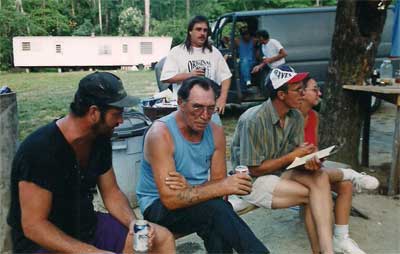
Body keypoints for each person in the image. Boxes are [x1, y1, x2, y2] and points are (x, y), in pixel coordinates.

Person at [7, 72, 175, 254]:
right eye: (116, 114)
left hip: (86, 226)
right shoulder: (40, 150)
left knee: (161, 238)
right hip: (43, 243)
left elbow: (112, 193)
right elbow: (33, 226)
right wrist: (91, 252)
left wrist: (132, 223)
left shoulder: (99, 140)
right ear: (94, 112)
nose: (121, 120)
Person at [136, 77, 269, 254]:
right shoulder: (160, 134)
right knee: (216, 210)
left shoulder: (215, 131)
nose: (205, 115)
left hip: (200, 203)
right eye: (197, 107)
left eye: (211, 108)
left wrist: (192, 188)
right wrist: (217, 187)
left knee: (216, 215)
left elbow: (218, 186)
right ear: (181, 103)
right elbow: (171, 200)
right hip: (158, 206)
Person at [231, 65, 334, 254]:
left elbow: (295, 154)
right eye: (297, 90)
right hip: (252, 182)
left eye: (303, 89)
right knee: (315, 194)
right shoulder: (253, 120)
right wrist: (293, 156)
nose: (302, 94)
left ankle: (327, 252)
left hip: (281, 174)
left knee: (319, 177)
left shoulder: (294, 116)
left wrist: (310, 159)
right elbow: (253, 169)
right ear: (281, 95)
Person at [299, 76, 379, 254]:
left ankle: (341, 239)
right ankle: (353, 174)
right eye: (314, 89)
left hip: (311, 169)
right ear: (301, 93)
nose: (319, 93)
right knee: (319, 181)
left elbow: (313, 147)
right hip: (293, 172)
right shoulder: (292, 117)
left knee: (345, 186)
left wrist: (318, 156)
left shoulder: (313, 116)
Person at [160, 15, 232, 115]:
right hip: (185, 108)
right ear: (190, 32)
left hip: (209, 108)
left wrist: (222, 98)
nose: (202, 33)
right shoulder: (177, 51)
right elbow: (166, 77)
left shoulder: (214, 52)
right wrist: (189, 75)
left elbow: (226, 77)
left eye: (205, 30)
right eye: (198, 29)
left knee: (214, 130)